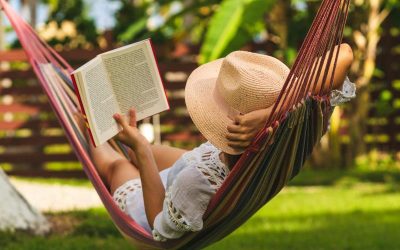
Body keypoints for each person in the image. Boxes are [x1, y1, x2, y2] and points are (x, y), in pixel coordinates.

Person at [76, 43, 355, 241]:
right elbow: (344, 53)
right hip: (198, 161)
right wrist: (274, 112)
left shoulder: (196, 184)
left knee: (117, 166)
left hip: (153, 204)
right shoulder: (295, 130)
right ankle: (128, 141)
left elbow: (158, 226)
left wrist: (140, 150)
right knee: (137, 149)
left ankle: (87, 125)